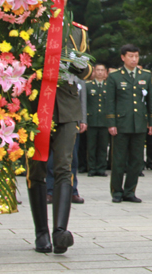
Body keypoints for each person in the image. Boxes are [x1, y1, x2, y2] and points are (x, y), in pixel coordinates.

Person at [27, 20, 92, 255]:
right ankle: (41, 232)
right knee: (37, 167)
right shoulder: (29, 25)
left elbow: (88, 71)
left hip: (66, 103)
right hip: (35, 103)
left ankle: (60, 231)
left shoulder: (77, 31)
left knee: (64, 166)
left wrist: (79, 65)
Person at [105, 44, 152, 203]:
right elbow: (110, 101)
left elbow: (151, 101)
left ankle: (130, 191)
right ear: (123, 57)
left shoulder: (145, 76)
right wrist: (111, 122)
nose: (134, 59)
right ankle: (116, 191)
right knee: (119, 160)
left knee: (137, 160)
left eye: (136, 56)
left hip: (139, 123)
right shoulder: (115, 76)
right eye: (130, 56)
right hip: (121, 123)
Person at [46, 67, 88, 205]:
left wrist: (82, 120)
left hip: (72, 119)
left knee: (72, 159)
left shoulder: (76, 73)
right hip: (53, 117)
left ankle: (72, 190)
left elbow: (82, 99)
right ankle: (50, 191)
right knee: (53, 159)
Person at [86, 64, 111, 177]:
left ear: (105, 72)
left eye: (102, 70)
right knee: (91, 146)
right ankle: (91, 168)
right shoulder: (88, 86)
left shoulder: (109, 86)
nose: (100, 72)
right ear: (94, 72)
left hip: (104, 121)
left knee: (103, 146)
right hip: (92, 120)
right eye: (98, 70)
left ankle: (101, 168)